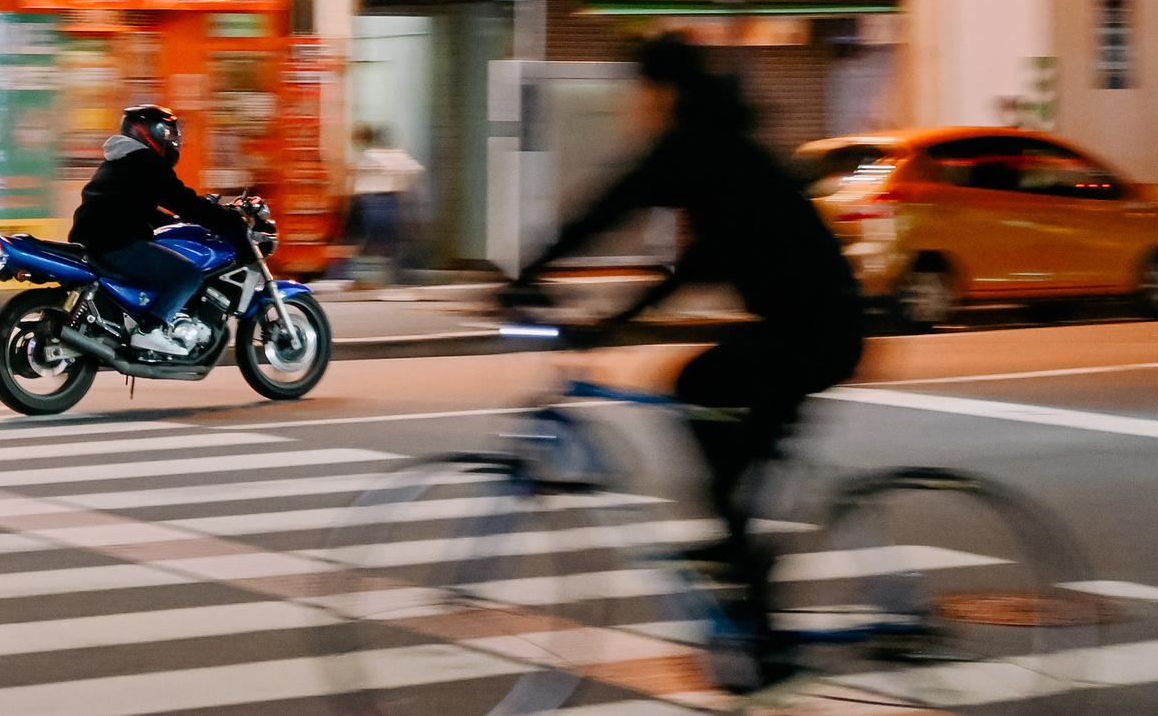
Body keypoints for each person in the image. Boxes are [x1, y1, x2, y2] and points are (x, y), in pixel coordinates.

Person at [501, 33, 865, 672]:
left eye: (639, 90)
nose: (635, 104)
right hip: (817, 324)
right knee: (712, 424)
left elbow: (604, 211)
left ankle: (763, 631)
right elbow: (692, 264)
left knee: (699, 386)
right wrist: (612, 321)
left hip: (818, 331)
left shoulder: (695, 148)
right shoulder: (719, 147)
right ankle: (743, 570)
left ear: (660, 90)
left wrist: (526, 274)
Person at [69, 104, 253, 356]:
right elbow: (184, 201)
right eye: (168, 132)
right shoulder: (146, 163)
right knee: (188, 274)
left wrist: (173, 220)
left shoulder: (118, 160)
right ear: (148, 132)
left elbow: (132, 206)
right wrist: (230, 221)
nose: (173, 138)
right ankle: (152, 329)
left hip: (94, 240)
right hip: (116, 243)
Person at [349, 125, 426, 286]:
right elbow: (416, 169)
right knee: (391, 242)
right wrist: (400, 184)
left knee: (369, 243)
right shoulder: (396, 154)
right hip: (391, 200)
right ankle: (393, 277)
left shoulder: (369, 154)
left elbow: (357, 182)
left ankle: (363, 279)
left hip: (371, 202)